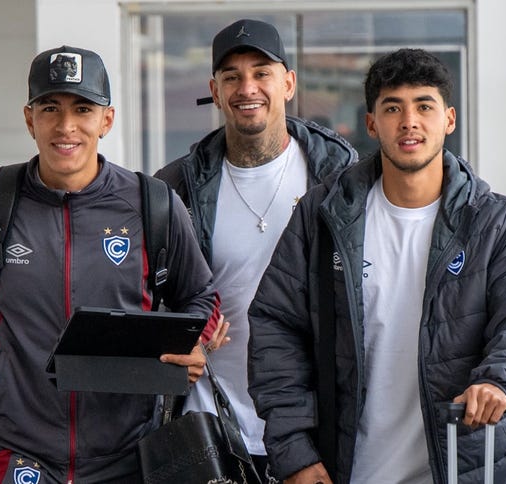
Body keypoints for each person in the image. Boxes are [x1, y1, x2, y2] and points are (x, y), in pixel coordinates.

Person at [247, 48, 506, 484]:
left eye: (424, 106)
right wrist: (295, 454)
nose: (409, 121)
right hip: (344, 470)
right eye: (393, 108)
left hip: (463, 466)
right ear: (372, 123)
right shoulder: (323, 214)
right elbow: (275, 328)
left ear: (448, 119)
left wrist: (498, 380)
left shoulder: (495, 222)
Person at [0, 45, 221, 484]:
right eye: (50, 108)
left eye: (83, 109)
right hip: (20, 455)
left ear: (107, 120)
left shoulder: (153, 205)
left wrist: (194, 343)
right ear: (30, 119)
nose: (66, 126)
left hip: (130, 458)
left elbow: (201, 296)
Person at [154, 18, 357, 482]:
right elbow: (148, 298)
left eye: (261, 73)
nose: (247, 88)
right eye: (232, 77)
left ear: (288, 84)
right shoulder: (177, 186)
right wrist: (180, 341)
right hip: (210, 426)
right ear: (215, 90)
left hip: (314, 428)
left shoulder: (340, 178)